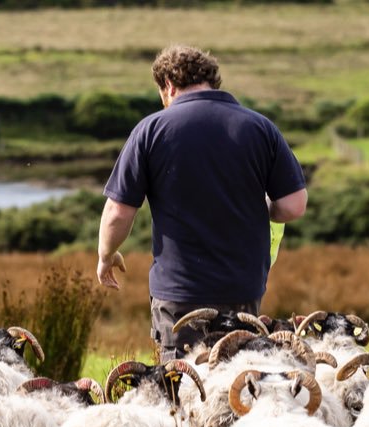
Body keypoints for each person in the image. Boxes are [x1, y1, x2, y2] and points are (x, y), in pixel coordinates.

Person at [95, 45, 308, 362]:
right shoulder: (260, 127)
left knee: (184, 385)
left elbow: (117, 213)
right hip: (243, 288)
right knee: (237, 380)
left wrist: (106, 255)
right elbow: (293, 206)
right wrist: (255, 207)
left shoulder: (151, 130)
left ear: (168, 85)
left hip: (179, 293)